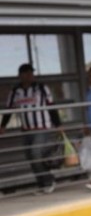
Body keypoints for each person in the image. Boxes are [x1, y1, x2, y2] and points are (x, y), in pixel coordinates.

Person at [1, 63, 61, 194]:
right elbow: (9, 109)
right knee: (31, 157)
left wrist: (58, 125)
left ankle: (48, 181)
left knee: (36, 154)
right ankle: (42, 184)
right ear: (20, 75)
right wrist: (3, 126)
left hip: (42, 128)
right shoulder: (15, 91)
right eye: (27, 73)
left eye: (31, 73)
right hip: (26, 129)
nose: (30, 76)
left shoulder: (41, 88)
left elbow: (51, 106)